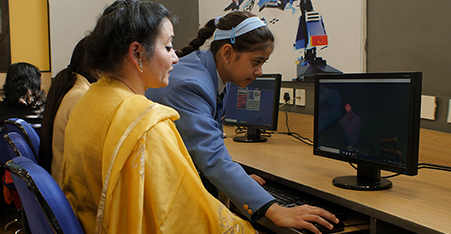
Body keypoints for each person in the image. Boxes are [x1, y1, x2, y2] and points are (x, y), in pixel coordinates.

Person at [61, 1, 256, 233]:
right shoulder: (146, 124)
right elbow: (187, 212)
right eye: (168, 46)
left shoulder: (89, 98)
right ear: (137, 53)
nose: (175, 58)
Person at [146, 11, 339, 233]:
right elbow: (212, 158)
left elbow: (210, 144)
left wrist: (237, 175)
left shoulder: (212, 72)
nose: (260, 71)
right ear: (228, 53)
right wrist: (276, 210)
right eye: (256, 62)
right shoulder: (192, 84)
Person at [38, 38, 98, 186]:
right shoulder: (81, 96)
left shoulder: (72, 88)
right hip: (71, 195)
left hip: (61, 185)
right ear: (99, 68)